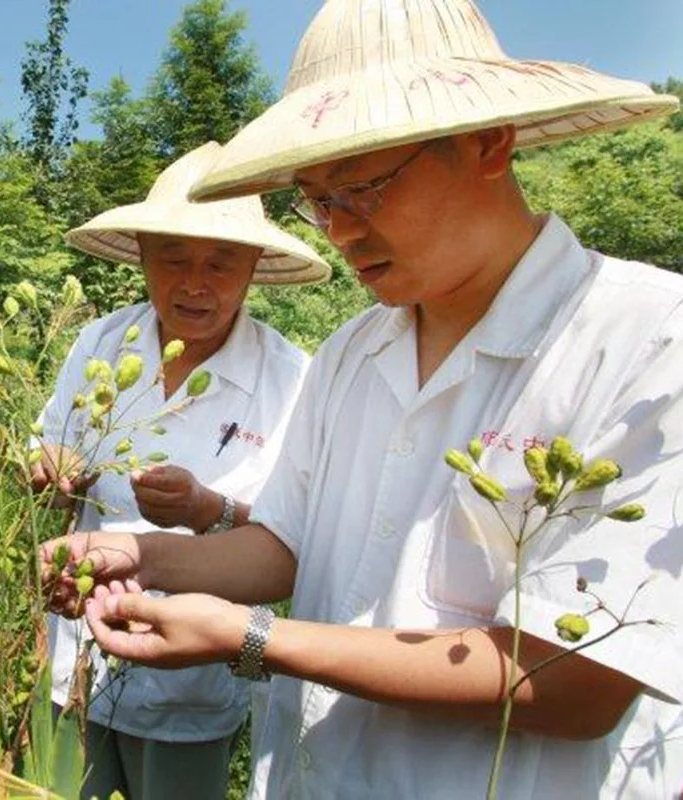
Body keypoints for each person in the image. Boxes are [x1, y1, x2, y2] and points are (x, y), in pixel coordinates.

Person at [44, 1, 683, 797]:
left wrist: (252, 639)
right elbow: (285, 547)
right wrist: (138, 554)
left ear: (489, 142)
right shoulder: (354, 350)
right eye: (317, 199)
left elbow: (575, 682)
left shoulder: (645, 340)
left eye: (363, 188)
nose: (340, 232)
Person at [33, 141, 330, 800]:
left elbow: (294, 542)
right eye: (173, 258)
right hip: (75, 658)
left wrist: (208, 510)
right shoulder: (102, 343)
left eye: (221, 263)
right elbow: (48, 453)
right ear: (142, 254)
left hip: (191, 682)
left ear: (253, 267)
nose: (196, 283)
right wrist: (52, 471)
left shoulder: (291, 380)